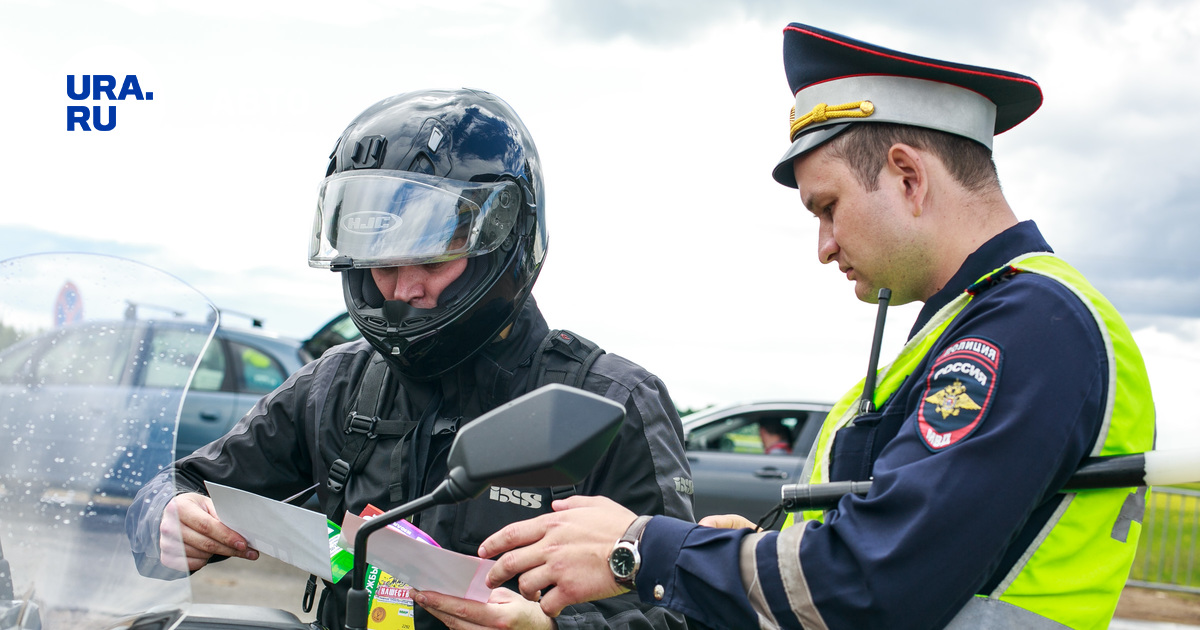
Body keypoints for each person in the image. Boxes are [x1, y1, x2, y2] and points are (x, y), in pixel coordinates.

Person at [474, 23, 1156, 630]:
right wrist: (751, 551)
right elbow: (891, 547)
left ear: (909, 179)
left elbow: (874, 584)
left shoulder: (1031, 325)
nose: (824, 246)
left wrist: (639, 548)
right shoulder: (972, 323)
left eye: (828, 208)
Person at [126, 89, 695, 630]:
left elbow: (686, 608)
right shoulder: (338, 385)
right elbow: (180, 483)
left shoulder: (612, 404)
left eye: (430, 258)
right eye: (384, 262)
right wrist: (170, 516)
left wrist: (546, 628)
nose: (403, 290)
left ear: (500, 241)